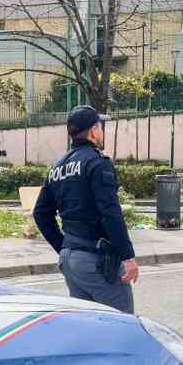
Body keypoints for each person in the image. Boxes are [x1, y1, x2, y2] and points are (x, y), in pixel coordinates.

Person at [33, 105, 139, 313]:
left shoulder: (58, 166)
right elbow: (110, 212)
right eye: (100, 126)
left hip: (71, 261)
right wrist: (128, 256)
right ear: (93, 130)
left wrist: (64, 245)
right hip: (97, 260)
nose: (102, 131)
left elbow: (41, 213)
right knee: (121, 327)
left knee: (90, 327)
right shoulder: (97, 163)